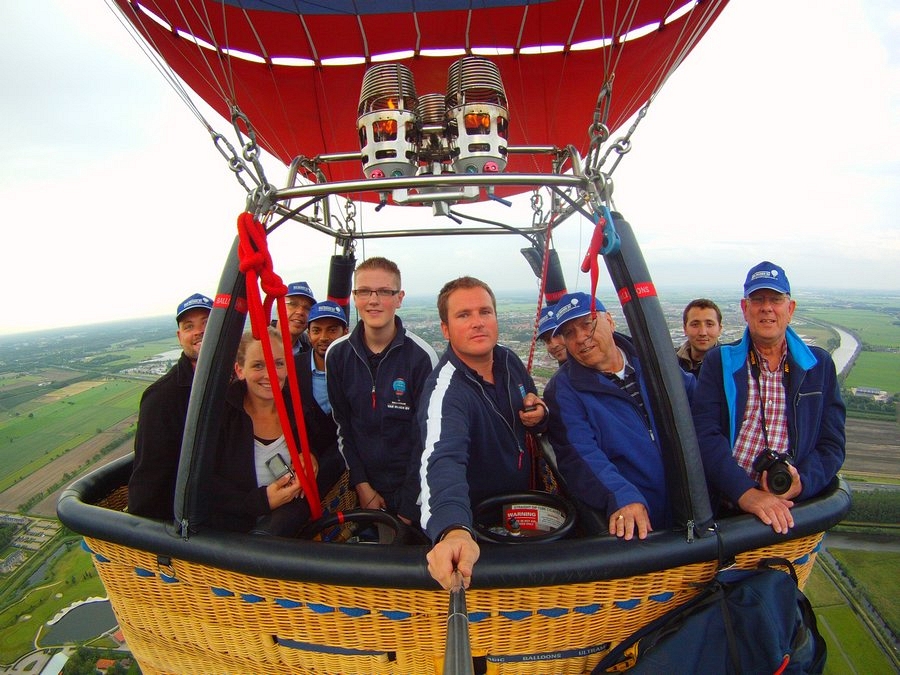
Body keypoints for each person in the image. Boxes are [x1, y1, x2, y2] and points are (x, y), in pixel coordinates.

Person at [692, 261, 845, 534]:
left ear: (790, 309)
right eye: (757, 300)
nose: (766, 308)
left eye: (775, 299)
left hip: (792, 509)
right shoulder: (720, 362)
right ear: (744, 308)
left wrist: (801, 482)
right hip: (728, 509)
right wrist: (745, 492)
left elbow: (831, 445)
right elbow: (705, 435)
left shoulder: (818, 366)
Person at [420, 277, 548, 590]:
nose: (477, 322)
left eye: (485, 312)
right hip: (479, 521)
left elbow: (530, 404)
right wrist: (454, 529)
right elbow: (442, 459)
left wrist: (540, 413)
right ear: (446, 329)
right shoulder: (446, 391)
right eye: (464, 315)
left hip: (522, 503)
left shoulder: (508, 359)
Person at [544, 292, 695, 543]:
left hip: (695, 503)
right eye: (569, 333)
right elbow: (580, 454)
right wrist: (621, 495)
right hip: (641, 522)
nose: (580, 338)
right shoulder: (564, 391)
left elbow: (699, 408)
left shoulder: (653, 360)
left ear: (610, 321)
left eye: (587, 324)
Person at [325, 257, 437, 524]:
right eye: (364, 291)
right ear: (354, 297)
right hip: (366, 489)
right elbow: (343, 426)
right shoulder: (337, 355)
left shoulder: (421, 357)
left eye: (384, 292)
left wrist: (409, 504)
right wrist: (362, 485)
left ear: (399, 298)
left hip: (415, 492)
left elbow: (428, 436)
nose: (373, 300)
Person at [209, 328, 314, 535]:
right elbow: (206, 485)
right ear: (240, 370)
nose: (270, 374)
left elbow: (320, 439)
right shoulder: (221, 417)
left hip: (292, 528)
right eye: (258, 365)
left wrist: (311, 456)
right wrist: (262, 501)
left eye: (279, 363)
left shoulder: (296, 407)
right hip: (240, 538)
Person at [128, 292, 213, 520]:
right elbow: (150, 477)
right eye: (189, 326)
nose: (199, 331)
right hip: (194, 519)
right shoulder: (161, 398)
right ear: (179, 336)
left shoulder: (239, 380)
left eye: (207, 323)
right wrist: (148, 533)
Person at [293, 300, 349, 497]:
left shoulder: (356, 372)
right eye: (316, 330)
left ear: (345, 333)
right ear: (309, 334)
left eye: (332, 330)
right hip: (304, 462)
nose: (324, 337)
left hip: (344, 466)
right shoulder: (292, 370)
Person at [676, 298, 722, 376]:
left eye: (709, 324)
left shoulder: (729, 364)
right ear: (685, 329)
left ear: (719, 329)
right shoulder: (670, 361)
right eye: (695, 325)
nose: (702, 333)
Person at [284, 281, 316, 356]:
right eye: (293, 304)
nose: (300, 312)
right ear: (278, 308)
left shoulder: (311, 348)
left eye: (307, 308)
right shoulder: (260, 340)